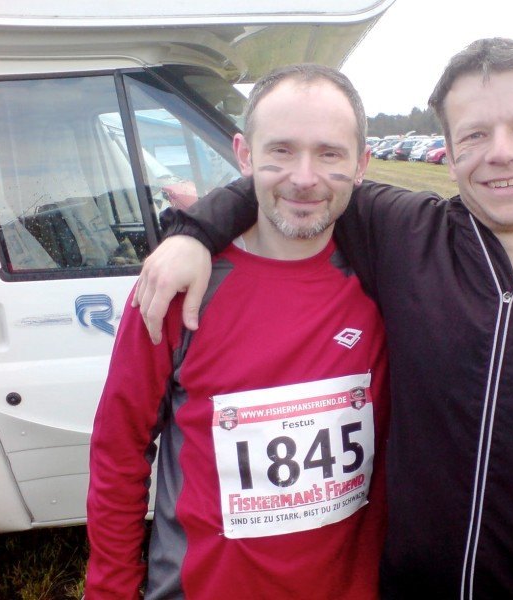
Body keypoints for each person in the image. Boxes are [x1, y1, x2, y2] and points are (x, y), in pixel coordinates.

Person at [133, 39, 513, 598]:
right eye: (475, 134)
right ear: (450, 153)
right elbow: (298, 182)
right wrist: (193, 234)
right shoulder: (404, 235)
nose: (502, 152)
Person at [85, 65, 391, 599]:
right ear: (244, 155)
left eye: (329, 153)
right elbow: (119, 450)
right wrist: (111, 588)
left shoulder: (390, 281)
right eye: (281, 151)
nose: (304, 177)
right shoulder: (177, 288)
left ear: (361, 164)